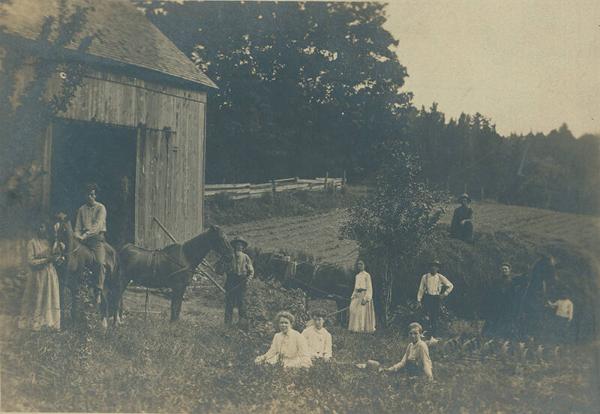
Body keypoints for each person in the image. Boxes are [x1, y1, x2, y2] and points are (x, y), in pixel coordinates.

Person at [18, 220, 61, 331]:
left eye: (43, 227)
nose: (41, 229)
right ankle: (35, 322)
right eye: (39, 227)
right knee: (38, 297)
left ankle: (49, 322)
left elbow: (54, 257)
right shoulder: (32, 243)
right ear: (36, 229)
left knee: (49, 297)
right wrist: (46, 260)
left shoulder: (48, 242)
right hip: (37, 275)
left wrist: (57, 258)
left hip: (49, 275)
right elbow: (30, 261)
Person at [74, 183, 107, 304]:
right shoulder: (81, 209)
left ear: (96, 195)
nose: (90, 197)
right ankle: (78, 288)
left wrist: (84, 235)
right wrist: (77, 235)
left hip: (96, 239)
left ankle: (98, 291)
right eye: (88, 194)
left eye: (92, 194)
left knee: (99, 263)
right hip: (83, 241)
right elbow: (77, 227)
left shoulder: (101, 208)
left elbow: (97, 226)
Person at [417, 259, 454, 338]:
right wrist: (419, 300)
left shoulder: (440, 277)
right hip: (427, 298)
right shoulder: (425, 277)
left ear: (438, 268)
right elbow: (421, 289)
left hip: (436, 299)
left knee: (434, 317)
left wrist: (444, 294)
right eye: (432, 266)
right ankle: (425, 335)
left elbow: (450, 285)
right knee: (426, 316)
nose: (434, 268)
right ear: (430, 267)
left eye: (436, 266)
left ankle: (433, 336)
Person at [482, 262, 518, 338]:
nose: (504, 270)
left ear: (509, 270)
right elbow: (493, 292)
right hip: (498, 304)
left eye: (506, 269)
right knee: (497, 319)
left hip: (509, 304)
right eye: (503, 269)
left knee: (508, 319)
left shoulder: (513, 281)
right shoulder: (497, 281)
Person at [224, 235, 254, 325]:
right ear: (234, 246)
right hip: (231, 281)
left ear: (243, 247)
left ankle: (242, 323)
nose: (239, 246)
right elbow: (223, 269)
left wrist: (247, 281)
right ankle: (227, 324)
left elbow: (251, 271)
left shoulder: (246, 257)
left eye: (241, 245)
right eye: (237, 245)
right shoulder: (230, 256)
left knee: (241, 302)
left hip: (241, 281)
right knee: (229, 303)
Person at [348, 260, 376, 333]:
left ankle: (362, 329)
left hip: (364, 294)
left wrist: (366, 298)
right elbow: (355, 288)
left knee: (362, 312)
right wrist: (353, 295)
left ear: (364, 265)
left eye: (361, 264)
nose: (359, 266)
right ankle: (355, 328)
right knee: (352, 309)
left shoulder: (367, 275)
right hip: (357, 294)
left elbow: (369, 287)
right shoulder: (357, 276)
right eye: (358, 264)